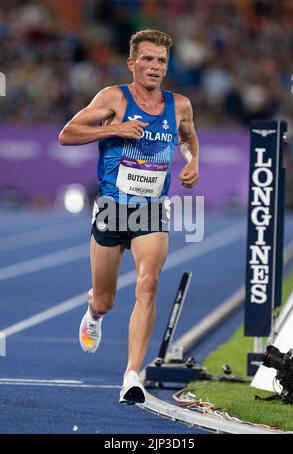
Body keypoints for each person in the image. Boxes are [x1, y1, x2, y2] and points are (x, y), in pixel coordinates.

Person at [59, 29, 199, 404]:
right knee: (106, 299)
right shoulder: (113, 98)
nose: (155, 66)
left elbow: (187, 136)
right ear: (132, 63)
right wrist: (116, 128)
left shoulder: (180, 104)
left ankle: (132, 375)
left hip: (151, 209)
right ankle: (94, 310)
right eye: (148, 59)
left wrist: (193, 161)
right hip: (111, 208)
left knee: (147, 283)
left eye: (162, 61)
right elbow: (67, 134)